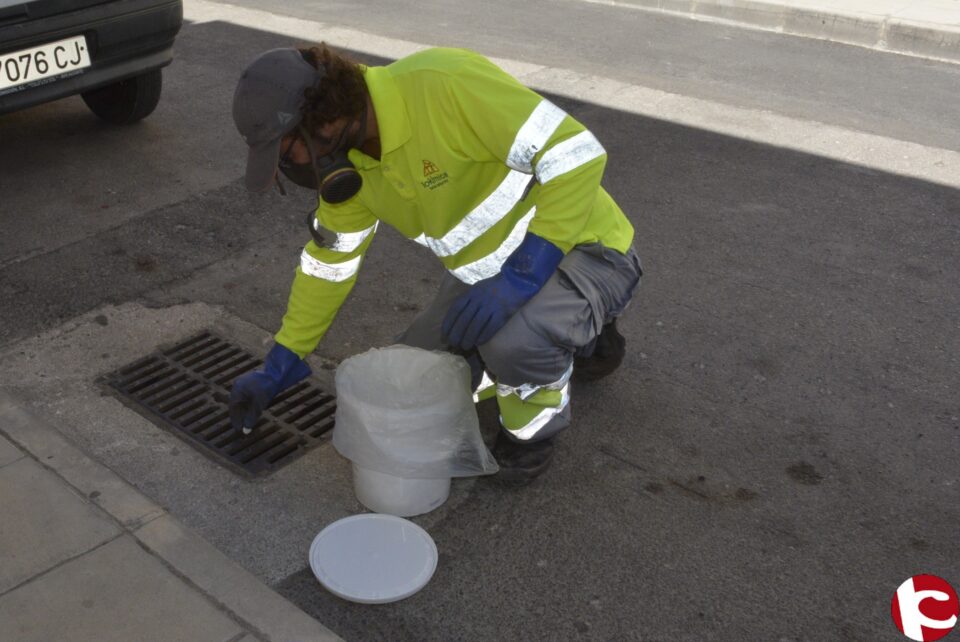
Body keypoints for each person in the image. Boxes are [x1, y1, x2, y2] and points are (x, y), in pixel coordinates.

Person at [229, 44, 642, 485]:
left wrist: (522, 276)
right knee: (412, 372)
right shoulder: (351, 166)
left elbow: (575, 152)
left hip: (588, 250)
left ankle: (532, 432)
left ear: (325, 122)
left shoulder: (444, 83)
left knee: (515, 344)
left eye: (286, 151)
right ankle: (574, 335)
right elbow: (330, 264)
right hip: (487, 277)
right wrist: (283, 356)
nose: (284, 167)